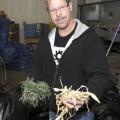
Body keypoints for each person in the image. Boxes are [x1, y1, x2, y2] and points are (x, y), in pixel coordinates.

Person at [28, 0, 112, 119]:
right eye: (53, 9)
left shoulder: (89, 39)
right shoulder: (46, 40)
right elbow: (35, 65)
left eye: (62, 7)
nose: (58, 14)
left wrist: (85, 95)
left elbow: (100, 75)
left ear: (70, 6)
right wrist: (32, 86)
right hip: (54, 112)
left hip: (81, 114)